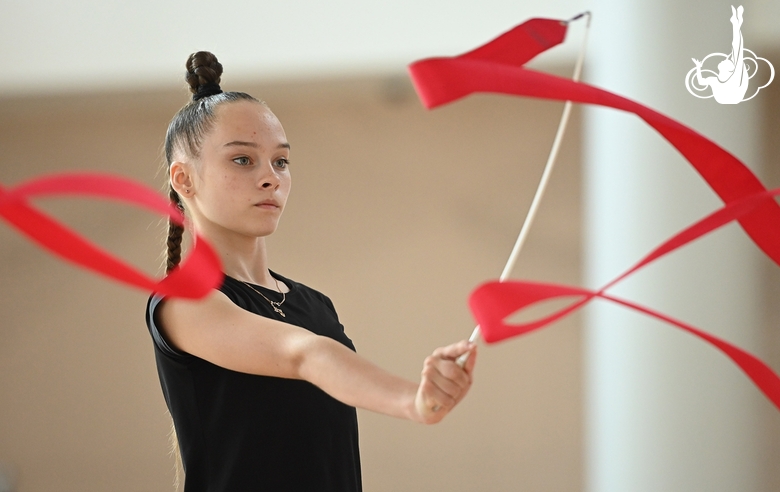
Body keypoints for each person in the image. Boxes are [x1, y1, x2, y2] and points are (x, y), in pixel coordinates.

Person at [145, 51, 477, 492]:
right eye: (243, 160)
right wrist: (415, 401)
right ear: (184, 180)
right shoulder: (184, 301)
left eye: (280, 161)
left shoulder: (315, 305)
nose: (271, 178)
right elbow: (303, 354)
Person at [692, 5, 748, 104]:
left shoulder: (734, 79)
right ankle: (736, 23)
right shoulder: (714, 80)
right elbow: (701, 82)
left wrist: (736, 25)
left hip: (732, 98)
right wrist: (698, 67)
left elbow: (737, 48)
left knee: (737, 49)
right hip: (727, 98)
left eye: (728, 61)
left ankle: (736, 23)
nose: (725, 59)